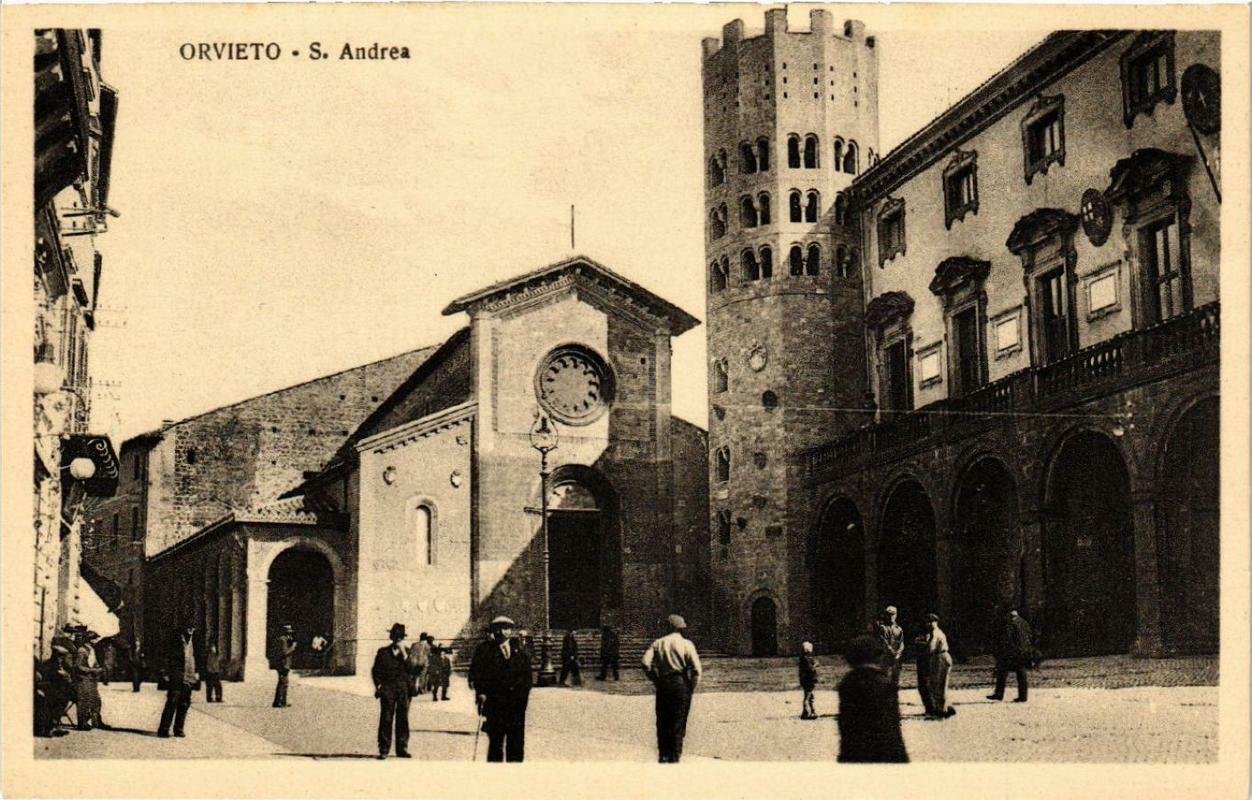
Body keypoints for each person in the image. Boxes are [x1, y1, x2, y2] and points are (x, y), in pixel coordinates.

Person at [468, 616, 533, 762]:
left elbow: (527, 676)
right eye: (501, 628)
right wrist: (481, 692)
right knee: (496, 743)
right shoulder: (484, 650)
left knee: (516, 742)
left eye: (508, 628)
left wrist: (522, 697)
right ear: (495, 631)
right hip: (495, 704)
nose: (505, 632)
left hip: (516, 705)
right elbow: (477, 673)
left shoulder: (519, 650)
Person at [836, 635, 908, 763]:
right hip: (884, 751)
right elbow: (891, 724)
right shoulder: (884, 683)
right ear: (876, 657)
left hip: (854, 751)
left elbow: (845, 723)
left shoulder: (847, 683)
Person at [642, 614, 702, 763]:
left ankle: (663, 756)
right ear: (681, 628)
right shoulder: (687, 644)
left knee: (663, 721)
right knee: (678, 722)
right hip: (681, 684)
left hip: (663, 684)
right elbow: (696, 670)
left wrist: (655, 679)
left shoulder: (658, 643)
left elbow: (645, 663)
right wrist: (691, 687)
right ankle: (675, 757)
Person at [372, 623, 412, 759]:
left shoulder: (408, 652)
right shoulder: (383, 652)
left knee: (403, 719)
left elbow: (412, 670)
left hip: (403, 689)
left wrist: (405, 654)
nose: (398, 640)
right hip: (388, 689)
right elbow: (376, 670)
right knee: (386, 718)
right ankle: (384, 749)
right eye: (396, 637)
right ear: (392, 637)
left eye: (400, 638)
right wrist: (378, 685)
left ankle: (402, 749)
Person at [158, 624, 199, 738]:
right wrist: (165, 672)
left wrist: (197, 672)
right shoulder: (175, 639)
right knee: (172, 701)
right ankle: (164, 729)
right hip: (176, 674)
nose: (190, 630)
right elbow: (166, 656)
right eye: (188, 627)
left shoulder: (195, 640)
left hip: (189, 675)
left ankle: (178, 729)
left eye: (192, 628)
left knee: (184, 703)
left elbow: (198, 657)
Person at [988, 608, 1033, 703]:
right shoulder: (1024, 623)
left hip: (1011, 653)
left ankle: (999, 694)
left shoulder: (1009, 624)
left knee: (1002, 672)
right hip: (1023, 652)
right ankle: (1023, 696)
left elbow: (1007, 639)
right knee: (1021, 674)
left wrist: (1001, 651)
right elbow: (1030, 636)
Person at [924, 614, 955, 720]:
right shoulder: (936, 632)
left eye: (931, 622)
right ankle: (943, 707)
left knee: (939, 684)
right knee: (937, 684)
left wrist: (924, 643)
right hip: (939, 657)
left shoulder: (935, 633)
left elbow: (931, 648)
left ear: (936, 622)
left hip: (941, 657)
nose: (929, 624)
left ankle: (942, 710)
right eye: (928, 622)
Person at [73, 630, 105, 730]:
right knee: (84, 701)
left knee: (96, 701)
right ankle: (82, 723)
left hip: (92, 679)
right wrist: (92, 670)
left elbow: (94, 662)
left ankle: (96, 722)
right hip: (83, 680)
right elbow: (78, 666)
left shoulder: (91, 650)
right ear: (89, 640)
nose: (96, 640)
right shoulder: (82, 650)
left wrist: (99, 668)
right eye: (94, 638)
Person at [875, 606, 905, 686]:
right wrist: (892, 651)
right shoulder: (883, 628)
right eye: (889, 614)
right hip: (885, 656)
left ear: (896, 615)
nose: (891, 616)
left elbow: (901, 642)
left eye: (893, 614)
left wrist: (899, 652)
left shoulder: (899, 629)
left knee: (895, 678)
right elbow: (884, 641)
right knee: (884, 678)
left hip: (896, 657)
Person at [271, 623, 296, 708]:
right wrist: (293, 647)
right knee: (283, 683)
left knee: (284, 683)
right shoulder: (283, 640)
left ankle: (282, 701)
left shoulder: (283, 639)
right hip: (283, 664)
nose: (290, 634)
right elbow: (285, 652)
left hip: (283, 664)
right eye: (288, 632)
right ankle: (279, 702)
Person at [911, 631, 935, 716]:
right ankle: (929, 709)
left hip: (926, 665)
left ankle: (931, 709)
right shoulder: (923, 643)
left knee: (926, 686)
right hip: (922, 665)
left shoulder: (928, 643)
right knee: (923, 687)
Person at [798, 641, 819, 720]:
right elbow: (810, 669)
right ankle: (807, 713)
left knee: (809, 696)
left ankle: (810, 711)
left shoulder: (803, 658)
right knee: (808, 697)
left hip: (805, 680)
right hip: (809, 679)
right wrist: (815, 664)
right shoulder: (807, 659)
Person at [407, 632, 431, 697]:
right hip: (423, 663)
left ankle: (414, 690)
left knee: (414, 677)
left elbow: (410, 653)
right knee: (422, 677)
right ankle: (420, 689)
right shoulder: (427, 646)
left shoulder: (414, 644)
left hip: (414, 663)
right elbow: (428, 654)